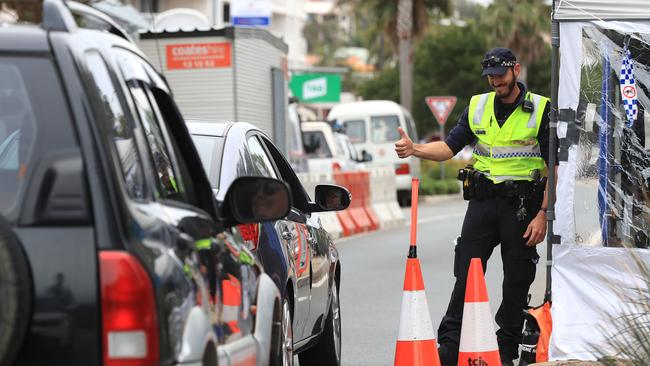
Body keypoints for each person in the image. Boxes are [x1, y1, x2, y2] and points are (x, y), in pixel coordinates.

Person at [394, 47, 556, 366]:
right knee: (467, 273)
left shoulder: (541, 109)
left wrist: (543, 214)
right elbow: (450, 146)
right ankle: (451, 346)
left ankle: (506, 349)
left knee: (516, 280)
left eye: (500, 74)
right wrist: (416, 149)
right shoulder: (477, 106)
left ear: (516, 70)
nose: (495, 81)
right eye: (490, 76)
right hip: (482, 204)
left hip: (522, 209)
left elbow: (556, 166)